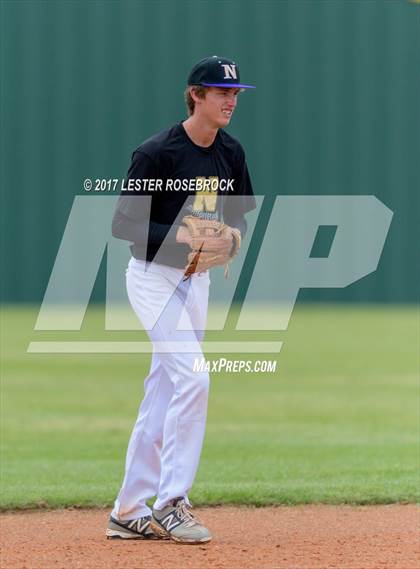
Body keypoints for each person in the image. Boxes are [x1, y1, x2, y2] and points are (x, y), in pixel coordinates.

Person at [106, 55, 256, 544]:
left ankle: (128, 510)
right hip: (152, 278)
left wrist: (229, 240)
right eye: (221, 93)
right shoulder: (157, 153)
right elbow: (124, 224)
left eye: (234, 93)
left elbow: (239, 219)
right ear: (195, 94)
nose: (231, 100)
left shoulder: (229, 152)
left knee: (165, 391)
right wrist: (184, 241)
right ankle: (172, 502)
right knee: (195, 378)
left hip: (197, 282)